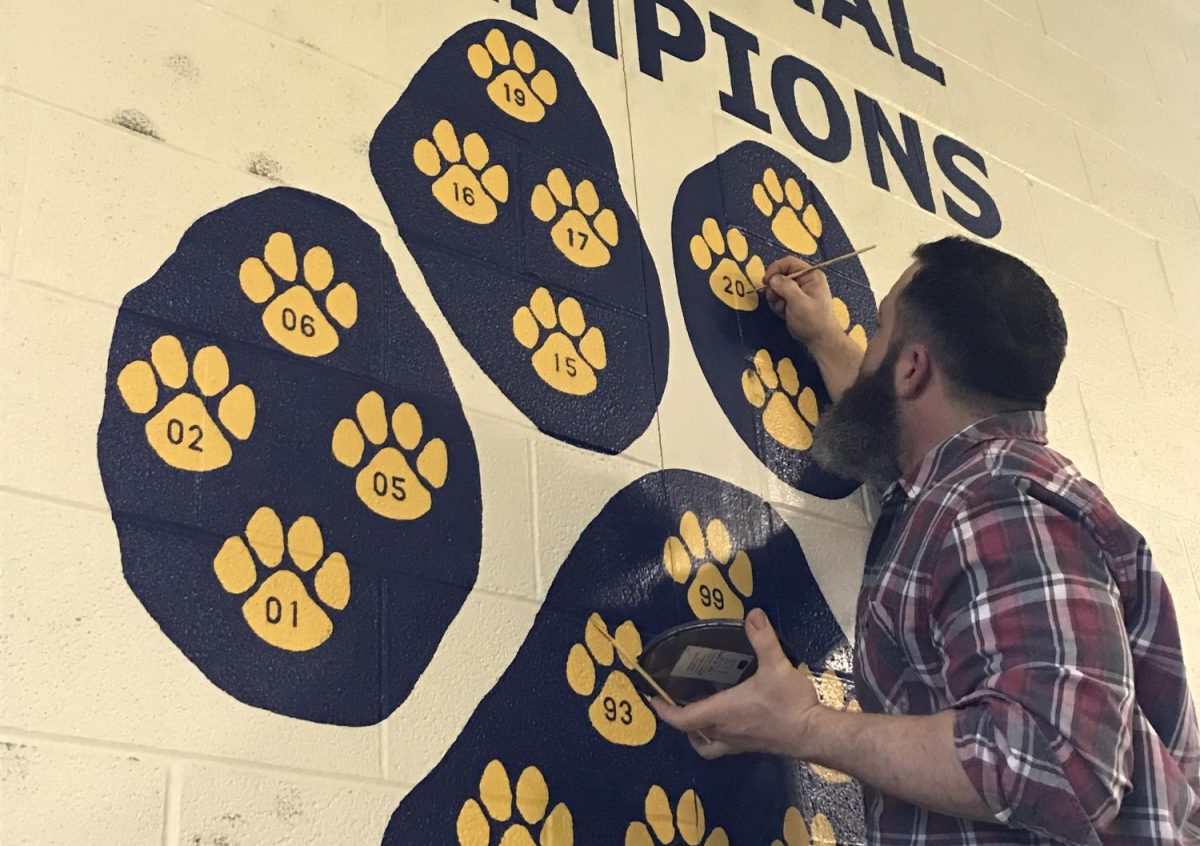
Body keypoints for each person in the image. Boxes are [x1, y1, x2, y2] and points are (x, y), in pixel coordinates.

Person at [652, 237, 1200, 844]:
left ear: (911, 368)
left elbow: (1064, 762)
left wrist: (803, 725)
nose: (868, 354)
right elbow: (898, 446)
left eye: (879, 331)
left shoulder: (1000, 501)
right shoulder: (973, 491)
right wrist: (827, 337)